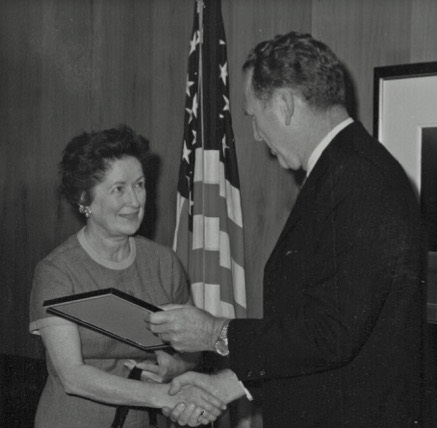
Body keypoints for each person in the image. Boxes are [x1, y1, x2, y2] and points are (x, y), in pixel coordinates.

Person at [148, 31, 425, 427]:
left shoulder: (356, 178)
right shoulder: (345, 169)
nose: (256, 135)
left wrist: (215, 333)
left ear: (284, 104)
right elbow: (322, 338)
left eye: (253, 117)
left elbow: (330, 335)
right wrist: (229, 384)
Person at [29, 125, 225, 428]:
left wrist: (174, 366)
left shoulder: (163, 262)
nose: (135, 201)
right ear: (84, 198)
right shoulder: (57, 271)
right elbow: (73, 376)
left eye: (140, 185)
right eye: (118, 189)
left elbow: (193, 350)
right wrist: (164, 397)